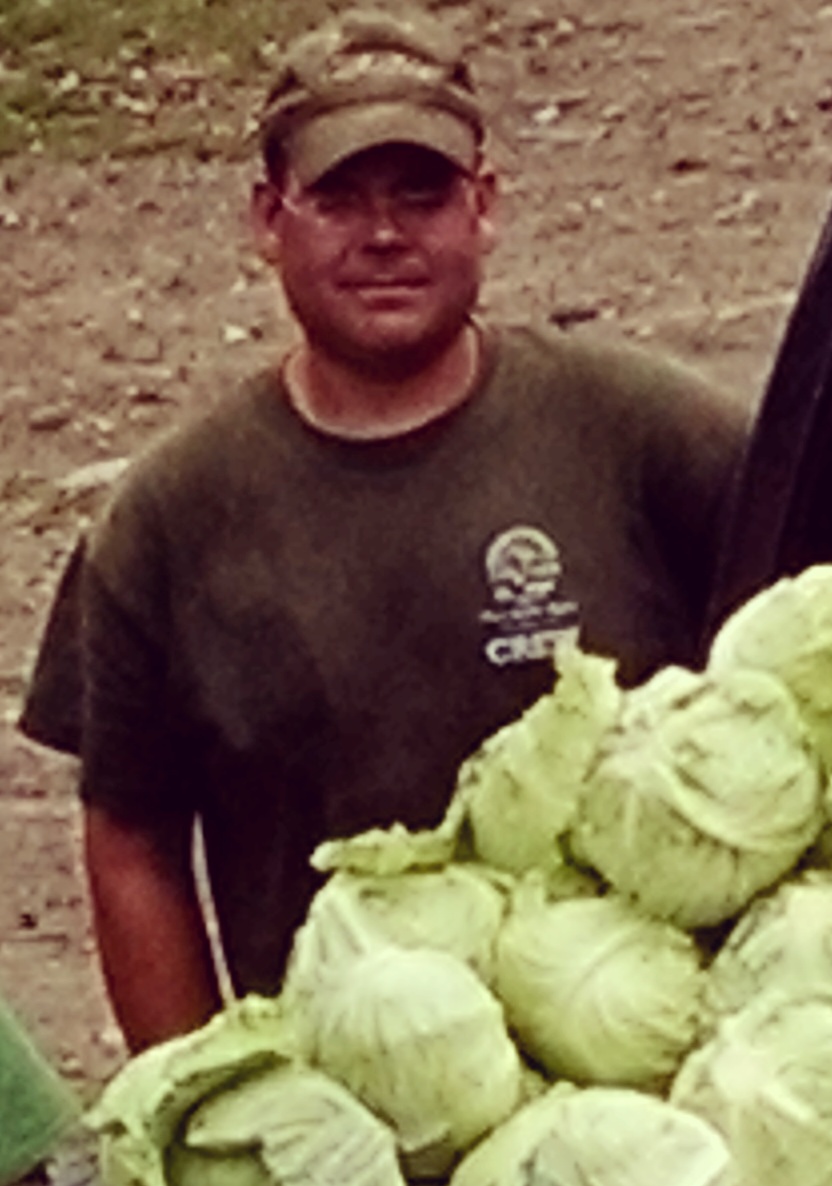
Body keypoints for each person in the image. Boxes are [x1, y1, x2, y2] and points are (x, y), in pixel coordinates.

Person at [18, 7, 749, 1051]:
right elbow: (130, 836)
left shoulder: (648, 433)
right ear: (268, 220)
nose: (385, 235)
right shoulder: (168, 517)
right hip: (355, 1119)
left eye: (423, 193)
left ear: (484, 206)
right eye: (338, 198)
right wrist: (198, 1095)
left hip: (643, 1081)